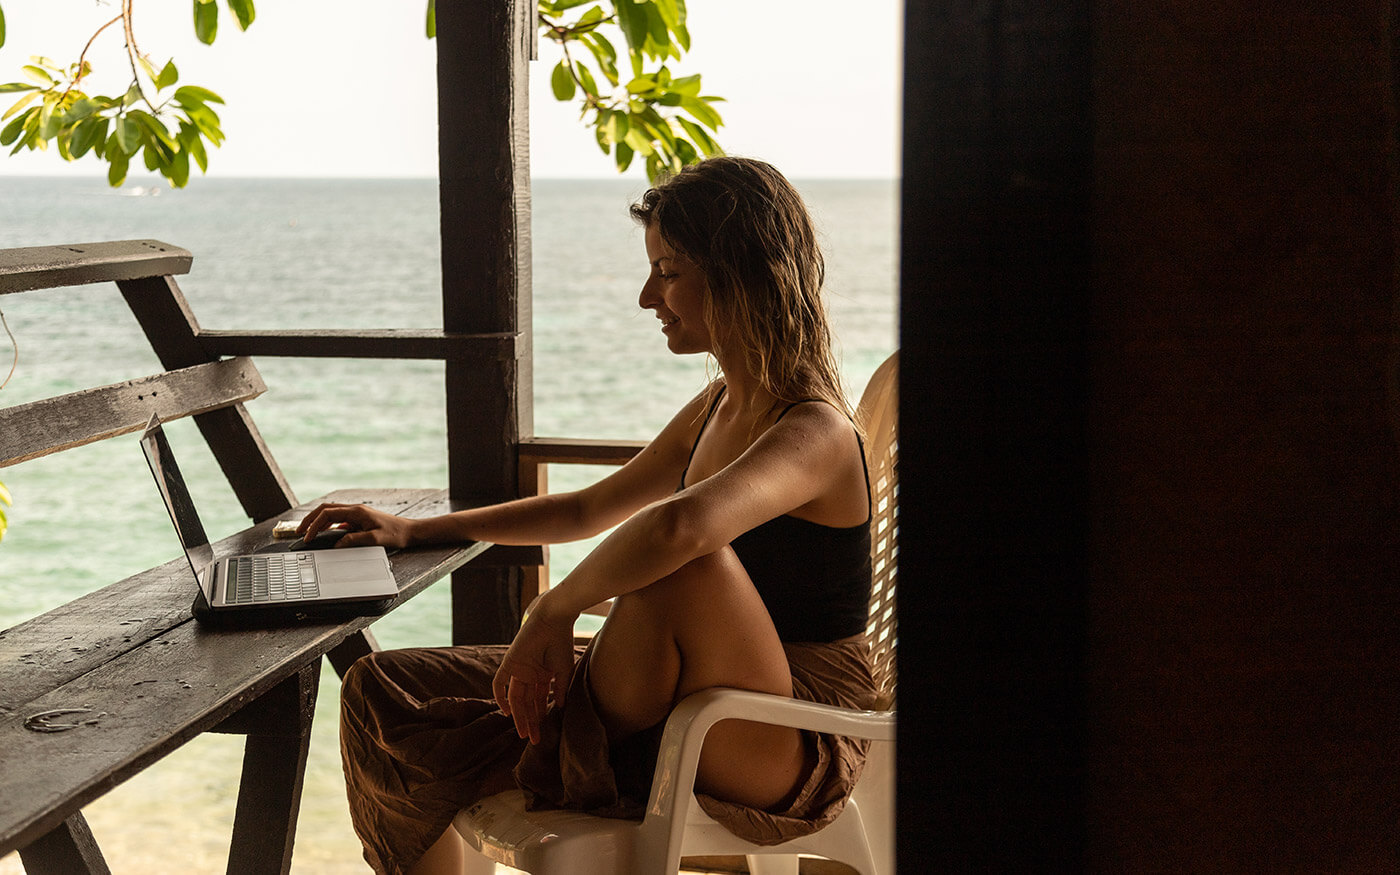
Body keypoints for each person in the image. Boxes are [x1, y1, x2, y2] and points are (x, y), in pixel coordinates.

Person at [298, 156, 877, 875]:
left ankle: (546, 742)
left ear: (740, 272)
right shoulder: (717, 406)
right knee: (382, 687)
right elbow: (588, 506)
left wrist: (553, 608)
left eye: (668, 271)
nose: (645, 296)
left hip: (784, 733)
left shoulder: (815, 430)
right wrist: (417, 529)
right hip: (682, 693)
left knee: (688, 560)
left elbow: (680, 531)